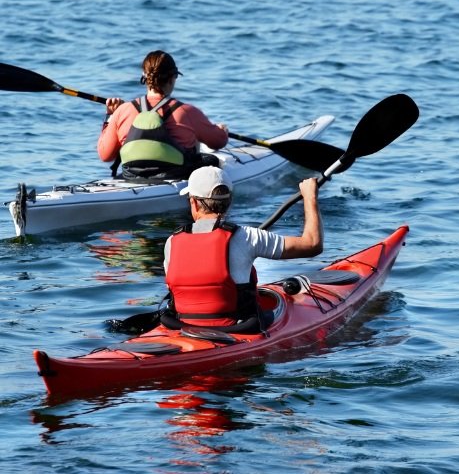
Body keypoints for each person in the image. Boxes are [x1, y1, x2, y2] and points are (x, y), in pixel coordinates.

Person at [162, 166, 323, 333]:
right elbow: (312, 244)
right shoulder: (247, 237)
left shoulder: (172, 242)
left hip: (182, 328)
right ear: (229, 201)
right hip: (236, 329)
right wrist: (310, 197)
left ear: (193, 202)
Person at [98, 50, 228, 179]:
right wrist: (222, 131)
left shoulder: (122, 111)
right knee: (210, 159)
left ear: (145, 78)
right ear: (172, 79)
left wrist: (110, 117)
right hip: (175, 176)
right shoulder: (186, 112)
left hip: (132, 177)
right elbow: (218, 141)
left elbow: (105, 155)